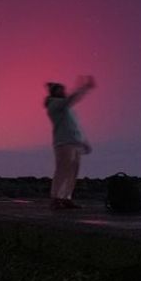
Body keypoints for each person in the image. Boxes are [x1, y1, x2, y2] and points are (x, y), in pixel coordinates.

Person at [45, 75, 94, 209]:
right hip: (63, 142)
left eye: (63, 89)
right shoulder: (54, 104)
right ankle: (55, 198)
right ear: (54, 92)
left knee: (73, 171)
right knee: (62, 169)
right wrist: (83, 88)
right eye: (59, 89)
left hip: (75, 143)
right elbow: (71, 99)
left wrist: (83, 141)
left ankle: (67, 197)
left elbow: (75, 126)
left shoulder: (67, 109)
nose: (62, 91)